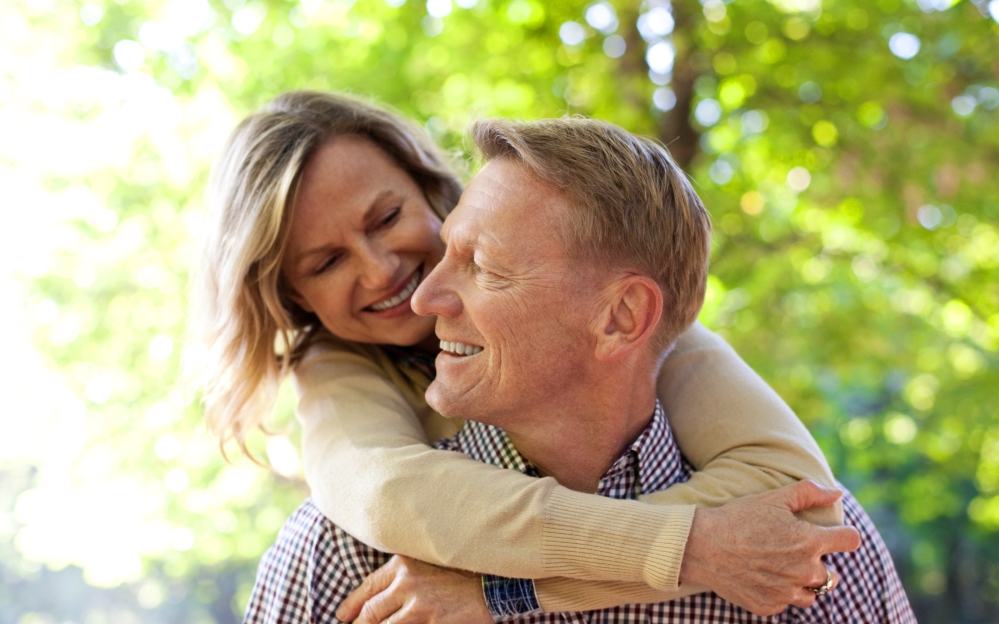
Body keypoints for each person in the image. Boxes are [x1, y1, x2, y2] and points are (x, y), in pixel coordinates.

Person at [186, 91, 854, 617]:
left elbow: (803, 507)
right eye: (327, 261)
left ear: (431, 189)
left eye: (386, 218)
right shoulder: (334, 384)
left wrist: (503, 595)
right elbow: (392, 495)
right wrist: (692, 550)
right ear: (293, 298)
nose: (383, 270)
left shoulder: (627, 320)